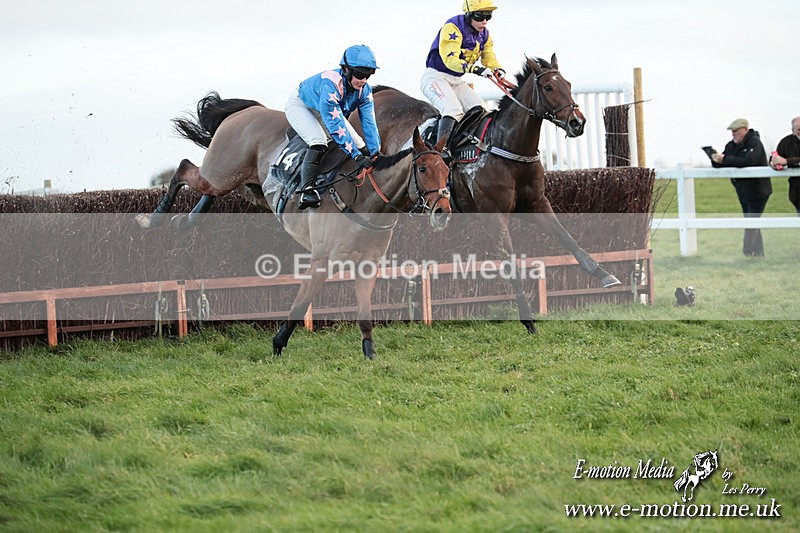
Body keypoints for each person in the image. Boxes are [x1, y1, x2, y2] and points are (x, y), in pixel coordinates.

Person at [286, 44, 381, 210]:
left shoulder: (364, 90)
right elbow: (336, 127)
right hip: (301, 106)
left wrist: (375, 151)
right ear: (346, 69)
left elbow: (369, 122)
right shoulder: (331, 86)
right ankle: (306, 189)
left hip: (326, 107)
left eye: (368, 75)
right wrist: (356, 157)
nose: (364, 80)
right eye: (360, 74)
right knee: (319, 140)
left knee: (360, 144)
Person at [420, 0, 505, 147]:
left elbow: (488, 55)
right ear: (469, 15)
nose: (484, 21)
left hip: (456, 80)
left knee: (483, 111)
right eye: (480, 16)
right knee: (453, 110)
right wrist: (475, 69)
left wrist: (497, 69)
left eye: (488, 16)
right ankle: (441, 152)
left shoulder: (484, 34)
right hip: (435, 77)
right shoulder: (452, 27)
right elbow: (450, 60)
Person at [711, 118, 771, 257]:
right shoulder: (731, 145)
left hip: (758, 190)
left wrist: (724, 160)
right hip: (743, 190)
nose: (733, 134)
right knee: (751, 219)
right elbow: (723, 162)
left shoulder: (755, 143)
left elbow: (749, 161)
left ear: (745, 129)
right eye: (732, 132)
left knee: (751, 220)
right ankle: (758, 254)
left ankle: (748, 251)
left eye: (736, 131)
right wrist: (715, 159)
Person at [769, 116, 800, 214]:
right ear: (793, 131)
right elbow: (776, 157)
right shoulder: (786, 142)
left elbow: (784, 161)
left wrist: (786, 161)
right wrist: (773, 162)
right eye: (799, 129)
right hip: (797, 191)